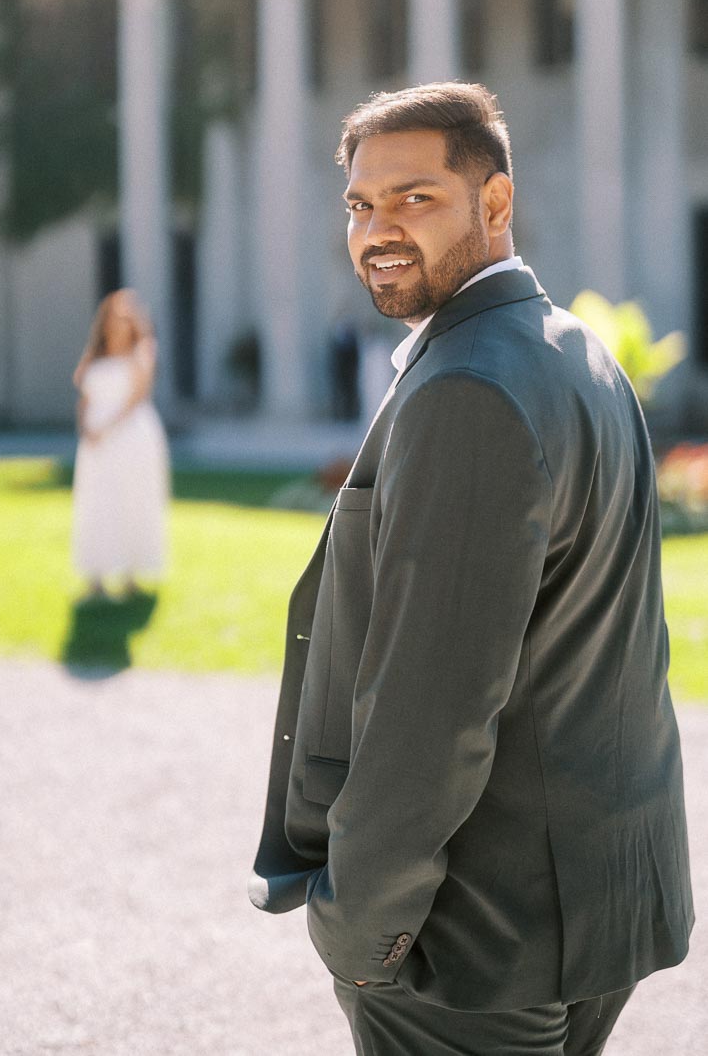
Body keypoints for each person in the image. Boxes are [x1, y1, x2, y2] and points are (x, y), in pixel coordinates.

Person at [249, 83, 693, 1056]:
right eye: (361, 206)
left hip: (475, 945)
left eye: (416, 198)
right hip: (596, 910)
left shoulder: (469, 389)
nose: (377, 231)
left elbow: (434, 713)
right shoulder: (580, 353)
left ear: (495, 205)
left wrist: (359, 927)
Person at [71, 289, 169, 598]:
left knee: (131, 500)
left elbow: (136, 397)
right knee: (97, 503)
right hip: (96, 443)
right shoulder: (95, 356)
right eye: (115, 319)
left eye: (127, 319)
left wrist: (105, 428)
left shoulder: (143, 351)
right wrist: (87, 427)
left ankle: (130, 575)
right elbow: (85, 399)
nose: (120, 325)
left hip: (130, 436)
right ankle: (95, 578)